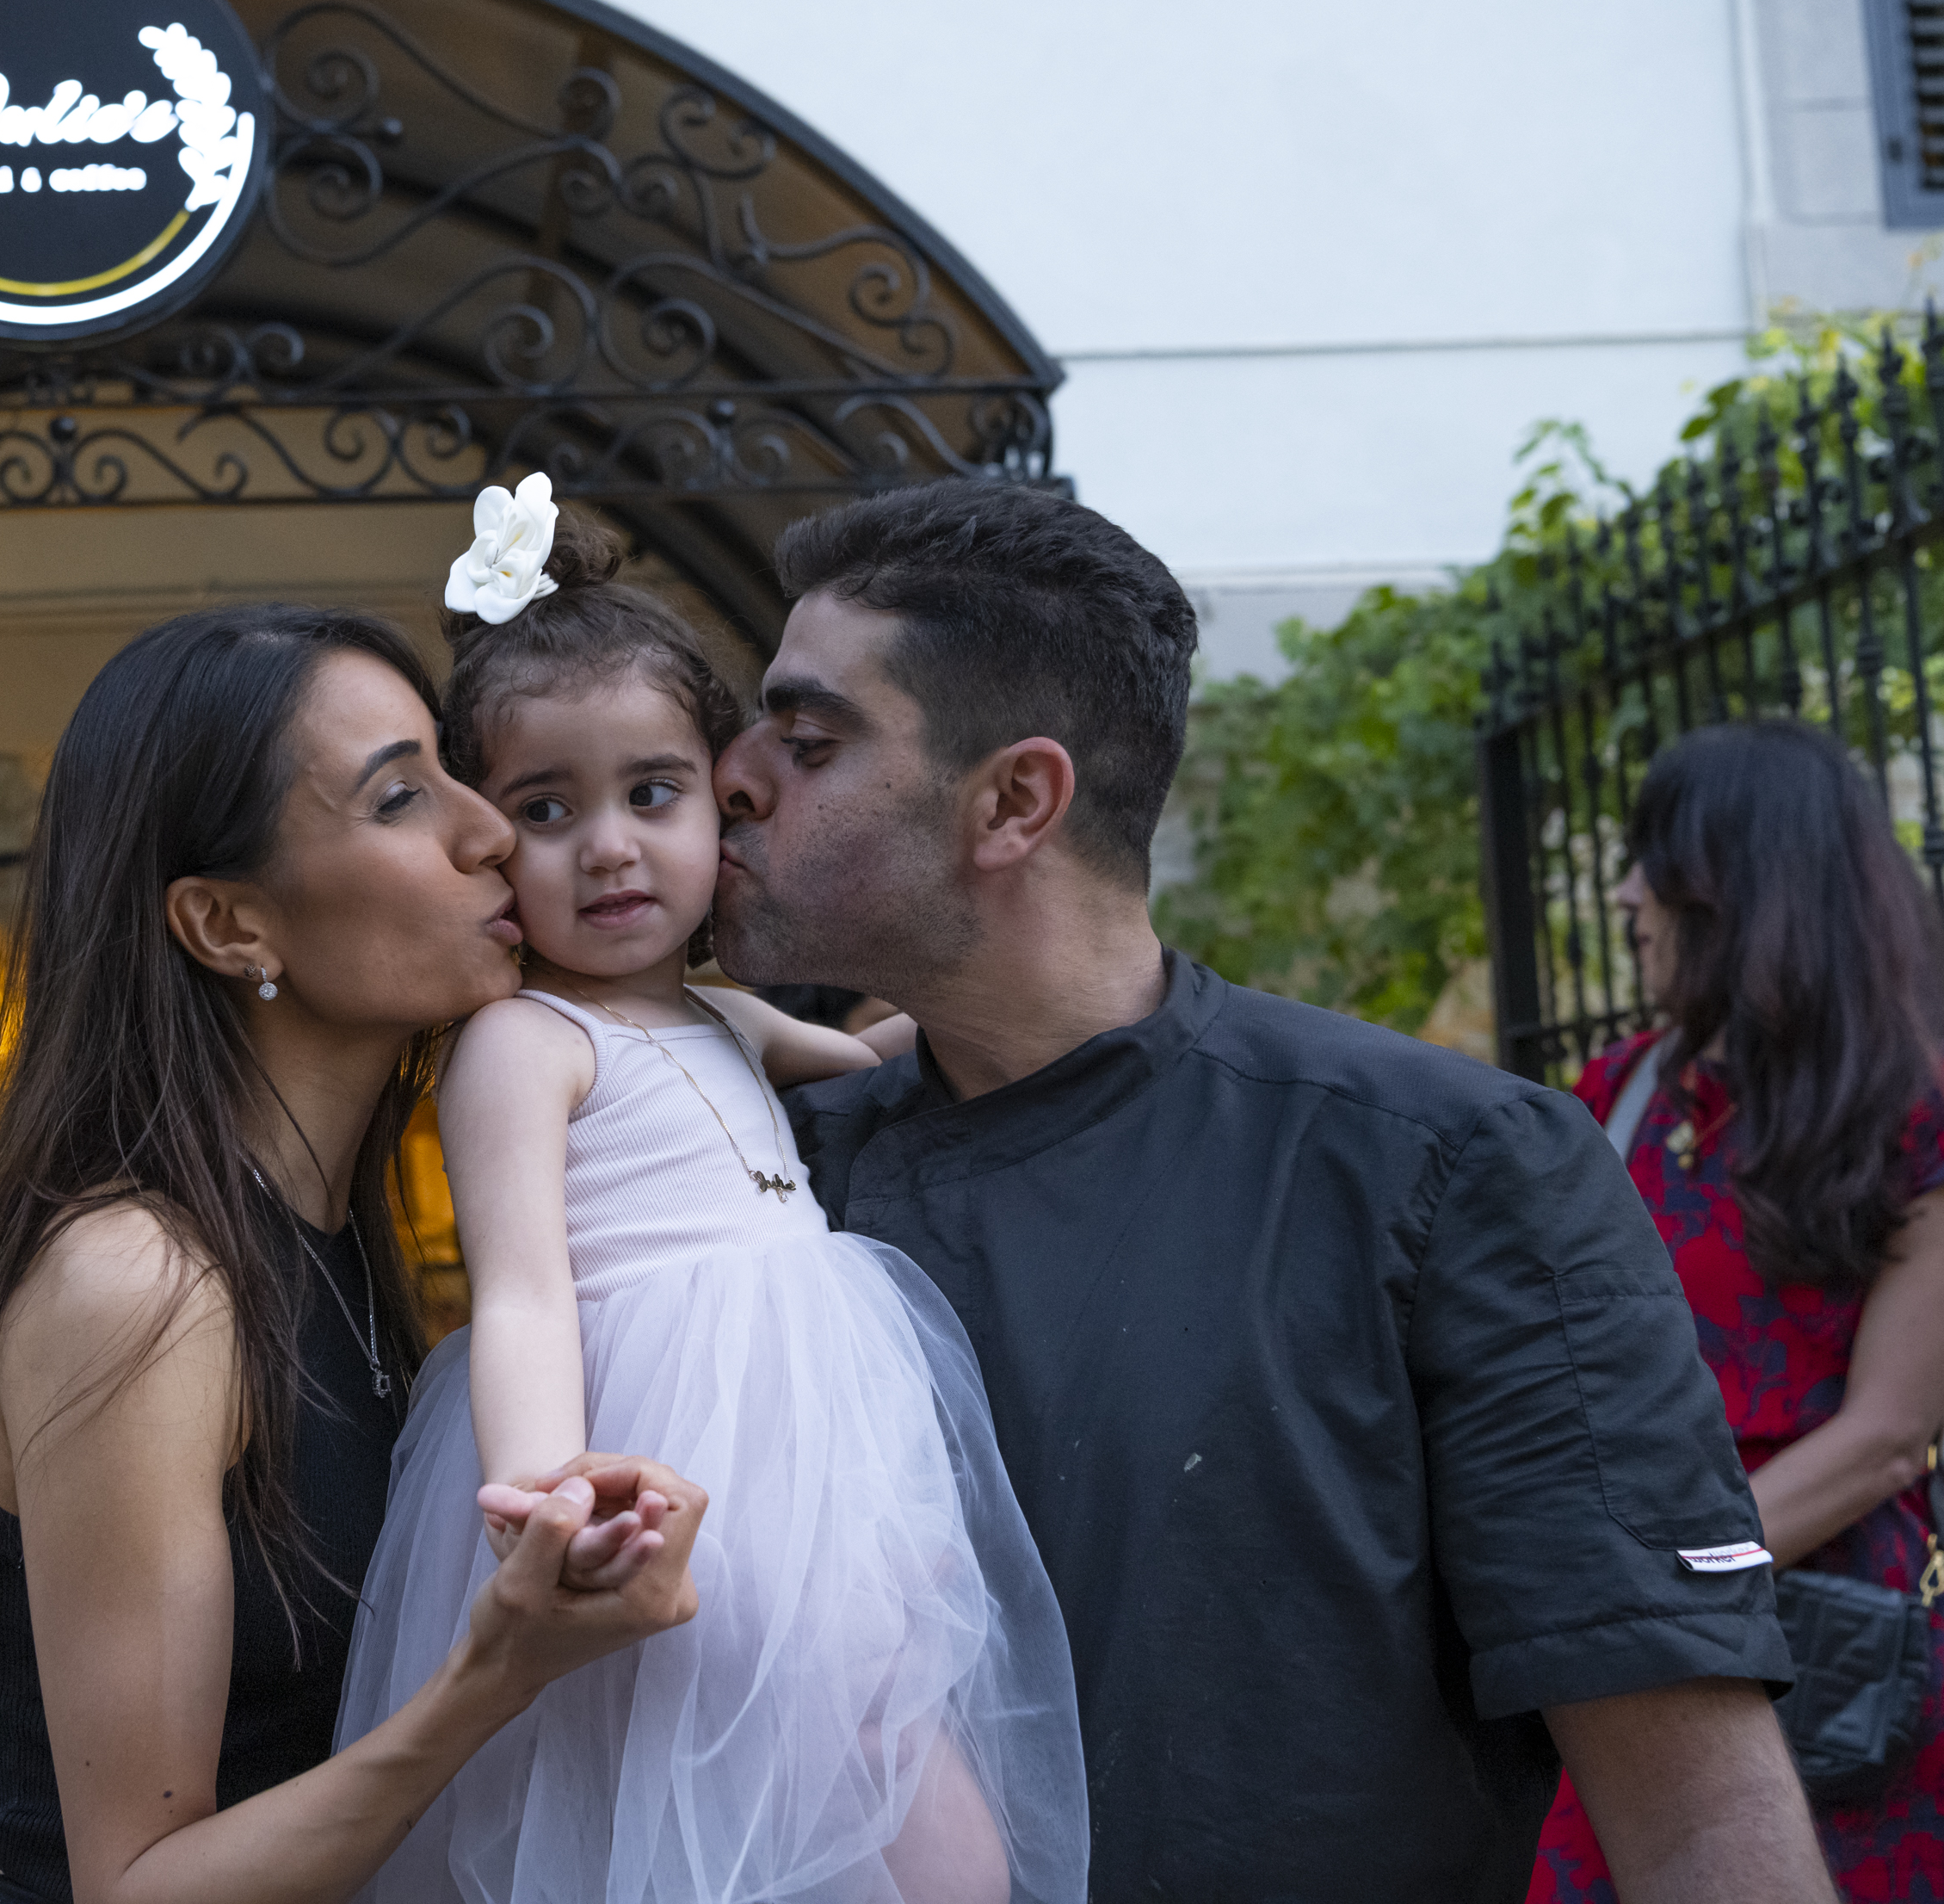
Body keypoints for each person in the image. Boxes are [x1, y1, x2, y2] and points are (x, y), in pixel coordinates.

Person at [723, 478, 1834, 1901]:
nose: (733, 774)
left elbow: (1698, 1820)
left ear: (1013, 801)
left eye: (809, 739)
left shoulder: (1446, 1168)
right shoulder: (760, 1177)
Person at [0, 604, 710, 1904]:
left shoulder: (332, 1238)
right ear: (228, 925)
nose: (491, 830)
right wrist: (497, 1670)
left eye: (453, 770)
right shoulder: (141, 1283)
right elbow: (137, 1884)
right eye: (400, 797)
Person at [333, 496, 1085, 1901]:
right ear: (485, 839)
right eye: (546, 810)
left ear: (720, 803)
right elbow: (523, 1288)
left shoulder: (724, 1014)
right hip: (674, 1455)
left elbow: (876, 1050)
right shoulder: (525, 1043)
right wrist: (548, 1488)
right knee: (714, 1796)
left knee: (912, 1798)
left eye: (651, 794)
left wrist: (1016, 973)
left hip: (822, 1452)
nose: (609, 846)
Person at [1529, 719, 1944, 1900]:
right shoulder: (1615, 1093)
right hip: (1635, 1638)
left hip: (1843, 1642)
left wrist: (1646, 1589)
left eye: (1650, 858)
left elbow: (1886, 1438)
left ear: (1733, 880)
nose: (1625, 894)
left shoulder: (1936, 1107)